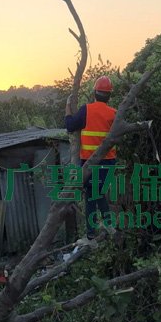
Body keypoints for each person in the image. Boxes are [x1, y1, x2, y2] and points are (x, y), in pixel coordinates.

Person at [65, 75, 117, 240]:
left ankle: (90, 234)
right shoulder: (114, 113)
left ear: (95, 92)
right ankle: (108, 225)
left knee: (91, 195)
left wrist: (67, 107)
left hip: (89, 162)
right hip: (109, 163)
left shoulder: (86, 110)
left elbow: (70, 126)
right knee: (99, 192)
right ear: (109, 95)